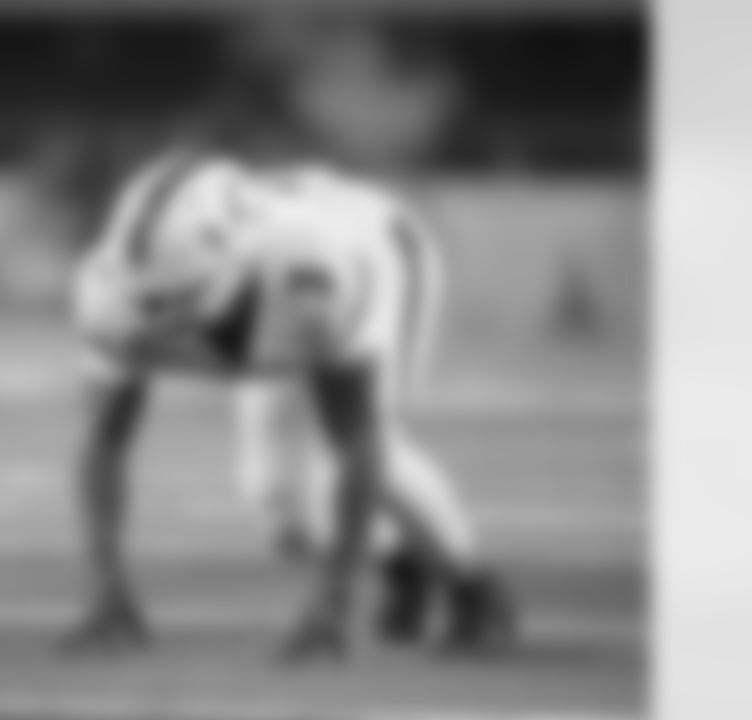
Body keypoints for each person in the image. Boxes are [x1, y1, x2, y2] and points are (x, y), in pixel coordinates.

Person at [65, 133, 518, 659]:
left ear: (232, 262)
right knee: (286, 514)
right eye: (148, 301)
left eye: (180, 299)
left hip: (382, 253)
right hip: (269, 296)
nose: (163, 322)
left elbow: (357, 437)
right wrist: (105, 585)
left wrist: (334, 602)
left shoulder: (313, 277)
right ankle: (402, 563)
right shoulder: (108, 295)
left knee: (375, 454)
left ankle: (474, 586)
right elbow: (105, 439)